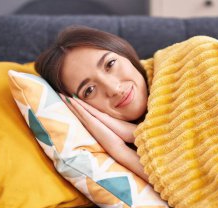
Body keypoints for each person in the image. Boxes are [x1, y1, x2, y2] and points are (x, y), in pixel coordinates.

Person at [35, 26, 149, 183]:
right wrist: (119, 149)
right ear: (80, 107)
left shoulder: (186, 65)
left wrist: (135, 133)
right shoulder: (107, 147)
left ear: (123, 52)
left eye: (110, 64)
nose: (113, 89)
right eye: (89, 90)